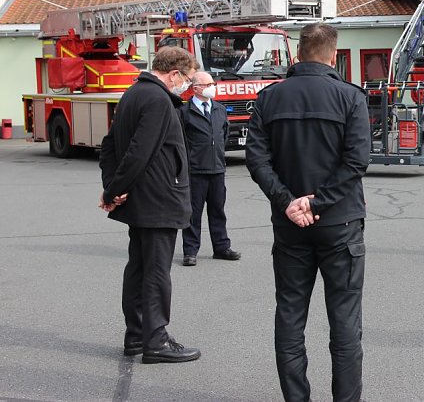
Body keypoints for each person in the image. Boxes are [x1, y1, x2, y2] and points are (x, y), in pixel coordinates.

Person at [245, 22, 370, 402]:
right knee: (345, 323)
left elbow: (256, 159)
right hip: (340, 225)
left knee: (290, 317)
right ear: (334, 54)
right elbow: (356, 162)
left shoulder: (270, 98)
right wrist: (317, 203)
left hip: (291, 227)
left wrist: (288, 201)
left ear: (297, 53)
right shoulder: (351, 97)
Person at [98, 46, 202, 364]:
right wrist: (115, 189)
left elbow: (110, 146)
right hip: (158, 199)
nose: (187, 86)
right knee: (156, 272)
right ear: (174, 73)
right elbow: (139, 152)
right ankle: (155, 340)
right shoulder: (158, 99)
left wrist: (112, 189)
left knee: (139, 268)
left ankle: (136, 335)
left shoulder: (133, 93)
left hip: (145, 199)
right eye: (187, 79)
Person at [178, 71, 241, 267]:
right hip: (195, 171)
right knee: (193, 213)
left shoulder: (219, 110)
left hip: (217, 169)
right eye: (208, 84)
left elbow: (223, 133)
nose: (212, 87)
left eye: (212, 83)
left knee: (218, 210)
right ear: (195, 88)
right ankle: (190, 251)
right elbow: (180, 142)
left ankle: (221, 247)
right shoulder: (184, 112)